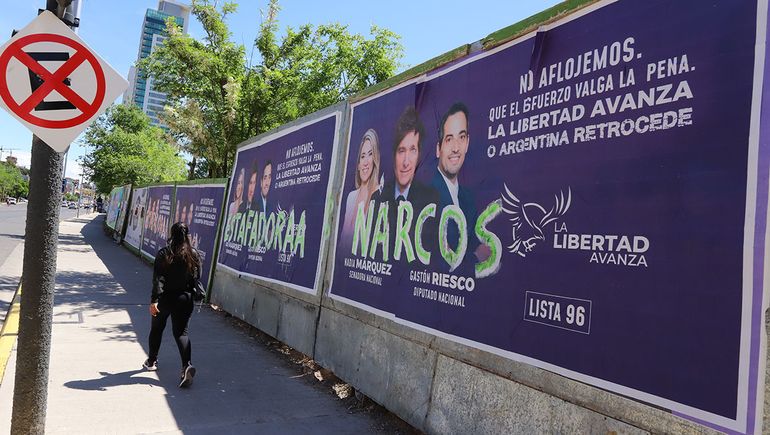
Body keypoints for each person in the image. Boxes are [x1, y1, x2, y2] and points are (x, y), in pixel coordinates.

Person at [374, 106, 438, 259]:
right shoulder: (376, 200)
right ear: (393, 154)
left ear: (419, 155)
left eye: (412, 150)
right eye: (401, 151)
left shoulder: (431, 200)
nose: (406, 162)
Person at [143, 222, 201, 388]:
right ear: (186, 235)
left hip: (165, 299)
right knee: (182, 333)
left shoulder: (164, 253)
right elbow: (197, 278)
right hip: (185, 298)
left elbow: (158, 280)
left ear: (171, 234)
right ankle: (186, 365)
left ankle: (152, 361)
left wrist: (154, 300)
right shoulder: (193, 254)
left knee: (157, 328)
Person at [431, 102, 479, 274]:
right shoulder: (426, 195)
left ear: (467, 143)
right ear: (439, 149)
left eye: (462, 137)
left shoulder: (469, 199)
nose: (456, 148)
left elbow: (474, 244)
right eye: (449, 139)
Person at [341, 129, 381, 248]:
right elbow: (342, 243)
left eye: (370, 154)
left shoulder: (380, 195)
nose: (365, 162)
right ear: (358, 164)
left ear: (375, 160)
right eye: (362, 156)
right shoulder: (351, 197)